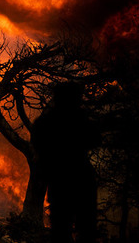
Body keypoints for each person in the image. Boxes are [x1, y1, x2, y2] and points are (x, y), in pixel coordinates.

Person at [31, 81, 99, 243]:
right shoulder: (81, 119)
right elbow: (95, 140)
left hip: (59, 182)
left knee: (61, 230)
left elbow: (38, 147)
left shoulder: (45, 121)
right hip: (81, 179)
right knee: (86, 229)